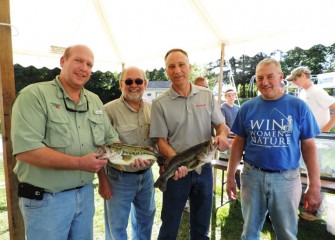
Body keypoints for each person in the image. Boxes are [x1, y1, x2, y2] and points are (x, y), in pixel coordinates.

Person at [10, 44, 120, 240]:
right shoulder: (34, 95)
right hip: (46, 201)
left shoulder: (94, 100)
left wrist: (134, 156)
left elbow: (109, 141)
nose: (84, 68)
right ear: (63, 61)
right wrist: (79, 163)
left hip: (85, 196)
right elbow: (26, 150)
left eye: (89, 64)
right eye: (78, 60)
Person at [225, 58, 321, 240]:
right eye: (260, 78)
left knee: (286, 233)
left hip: (286, 178)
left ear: (281, 77)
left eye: (270, 76)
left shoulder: (298, 106)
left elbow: (309, 146)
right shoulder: (247, 108)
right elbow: (238, 143)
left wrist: (314, 185)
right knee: (250, 232)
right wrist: (230, 177)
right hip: (252, 176)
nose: (265, 82)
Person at [150, 48, 229, 240]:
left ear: (189, 67)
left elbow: (221, 125)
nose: (177, 70)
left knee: (202, 225)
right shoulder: (160, 103)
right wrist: (176, 163)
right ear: (166, 71)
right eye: (172, 66)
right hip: (176, 173)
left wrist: (223, 136)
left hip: (205, 169)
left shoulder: (207, 95)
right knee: (170, 224)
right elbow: (161, 141)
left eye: (181, 65)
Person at [98, 67, 155, 240]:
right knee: (116, 228)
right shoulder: (108, 110)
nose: (134, 85)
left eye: (138, 81)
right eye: (128, 81)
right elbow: (99, 149)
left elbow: (158, 142)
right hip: (118, 178)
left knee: (145, 222)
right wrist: (102, 182)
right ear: (121, 84)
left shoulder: (153, 110)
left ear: (145, 84)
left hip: (146, 177)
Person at [287, 66, 335, 132]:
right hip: (307, 135)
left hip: (318, 137)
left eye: (295, 79)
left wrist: (325, 130)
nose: (293, 82)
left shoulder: (316, 91)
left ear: (303, 76)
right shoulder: (302, 92)